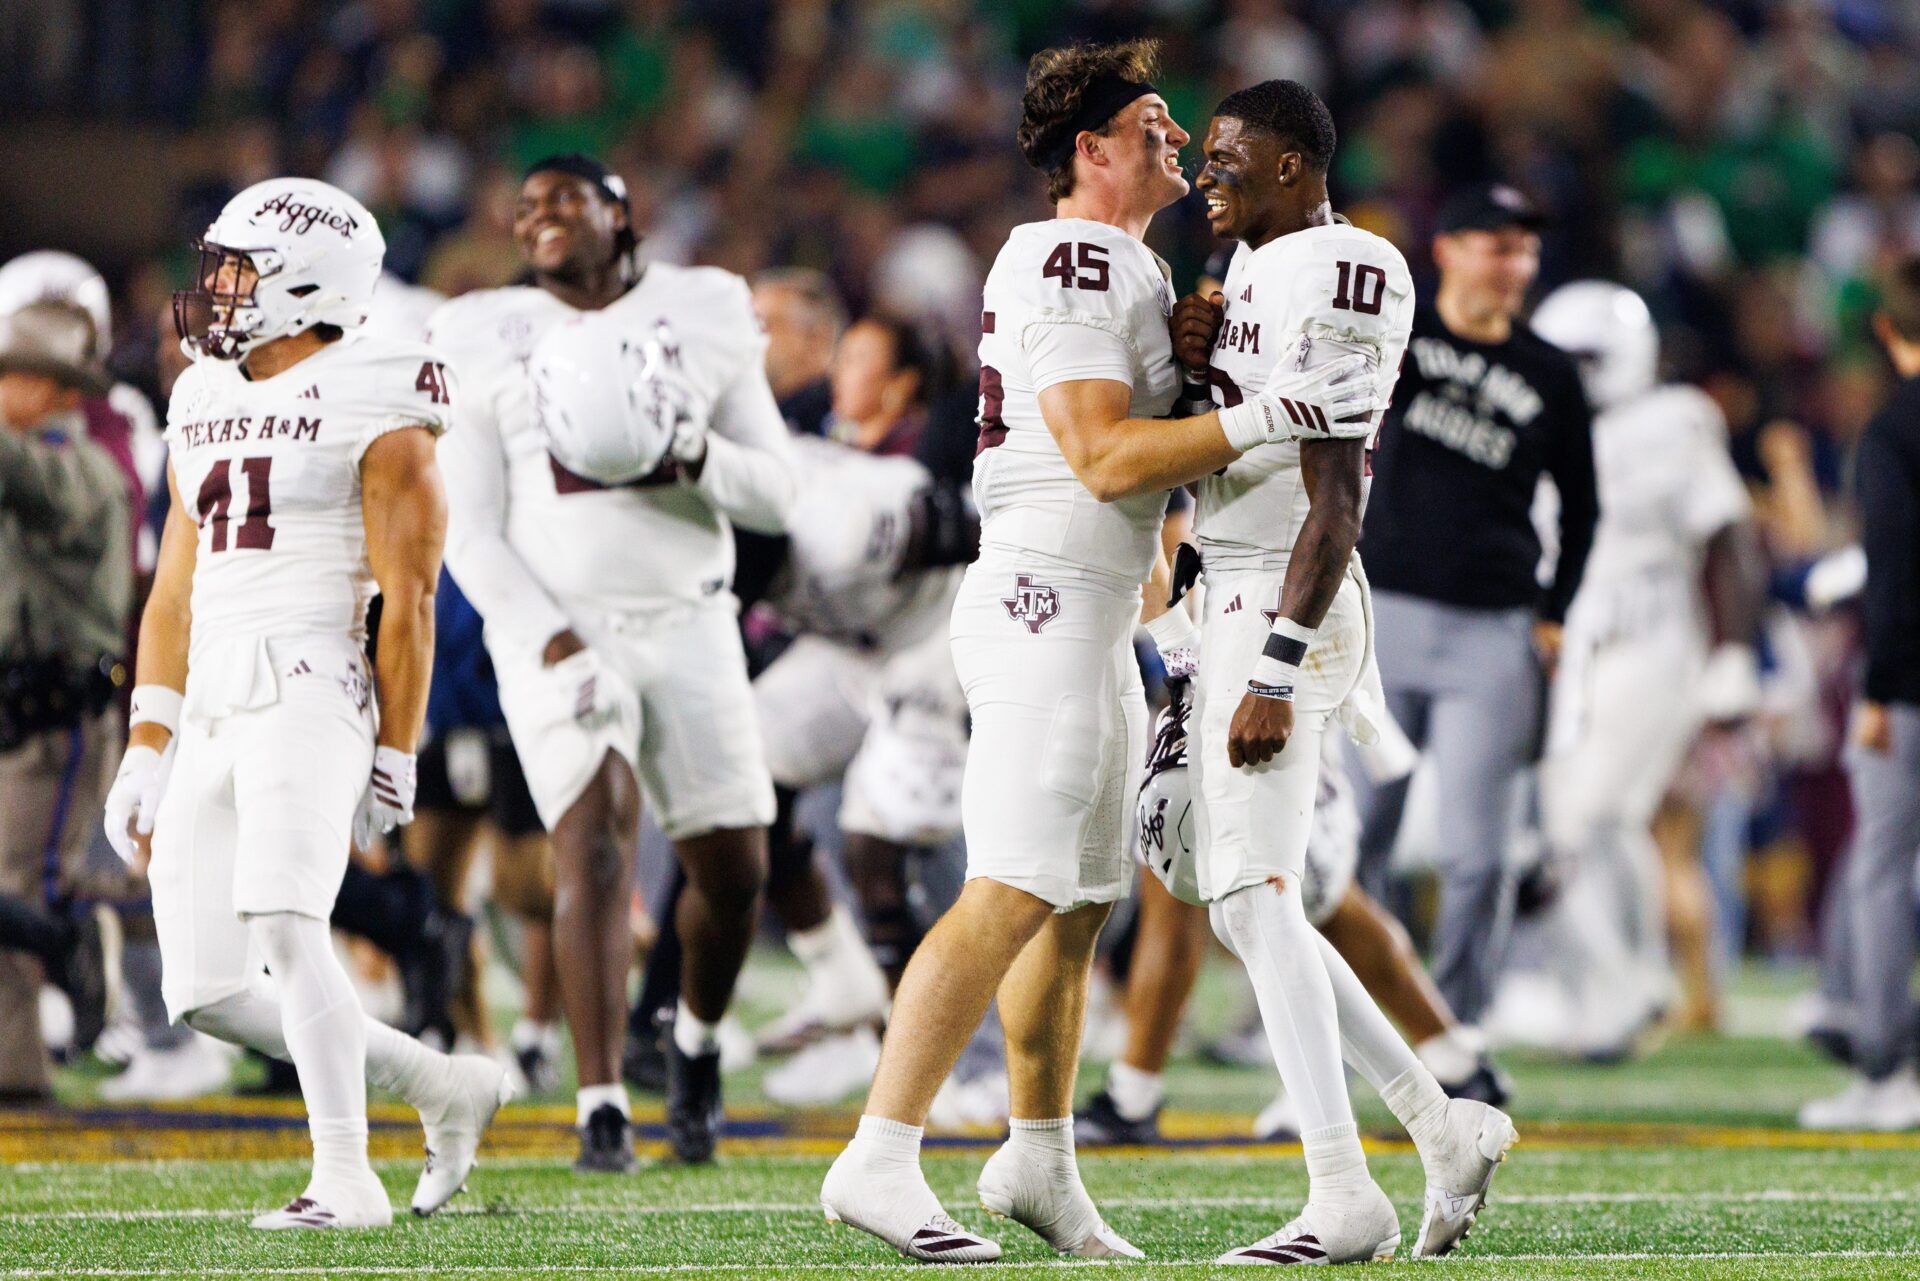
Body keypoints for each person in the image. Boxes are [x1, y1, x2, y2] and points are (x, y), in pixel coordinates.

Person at [103, 177, 508, 1228]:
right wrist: (148, 741)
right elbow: (174, 591)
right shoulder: (200, 392)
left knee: (286, 915)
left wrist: (397, 749)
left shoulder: (381, 387)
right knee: (204, 992)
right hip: (214, 699)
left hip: (315, 677)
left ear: (304, 282)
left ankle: (345, 1176)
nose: (216, 291)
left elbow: (410, 598)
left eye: (236, 269)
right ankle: (441, 1083)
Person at [430, 154, 795, 1171]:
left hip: (688, 613)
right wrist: (547, 634)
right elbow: (474, 527)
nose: (538, 212)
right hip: (556, 622)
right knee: (590, 838)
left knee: (735, 872)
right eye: (525, 201)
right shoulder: (480, 329)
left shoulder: (706, 307)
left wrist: (696, 458)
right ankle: (602, 1106)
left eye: (564, 197)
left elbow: (780, 492)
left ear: (621, 211)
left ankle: (695, 1043)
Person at [1353, 182, 1599, 1027]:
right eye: (1498, 244)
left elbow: (1583, 504)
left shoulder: (1550, 371)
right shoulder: (1398, 339)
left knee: (1479, 855)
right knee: (1349, 843)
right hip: (1378, 619)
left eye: (1525, 248)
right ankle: (1360, 1022)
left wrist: (1555, 609)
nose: (1515, 263)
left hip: (1492, 628)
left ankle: (1454, 1032)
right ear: (1448, 249)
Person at [1079, 689, 1508, 1147]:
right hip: (1198, 685)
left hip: (1265, 680)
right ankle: (1134, 1091)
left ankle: (1429, 1082)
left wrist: (1276, 674)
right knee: (1178, 878)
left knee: (1307, 895)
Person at [1525, 280, 1765, 1060]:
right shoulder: (1544, 432)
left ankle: (1626, 991)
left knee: (1584, 816)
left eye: (1589, 356)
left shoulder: (1674, 420)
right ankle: (1624, 985)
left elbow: (1729, 539)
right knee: (1584, 822)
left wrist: (1735, 653)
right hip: (1575, 648)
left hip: (1655, 638)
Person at [1800, 254, 1920, 1131]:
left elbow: (1896, 570)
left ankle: (1885, 1063)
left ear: (1886, 330)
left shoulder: (1892, 430)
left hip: (1910, 686)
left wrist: (1877, 686)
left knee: (1881, 870)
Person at [0, 300, 131, 1100]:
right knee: (13, 883)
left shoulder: (77, 467)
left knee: (20, 890)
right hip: (20, 713)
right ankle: (11, 1066)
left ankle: (76, 937)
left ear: (50, 388)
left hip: (61, 719)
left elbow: (30, 482)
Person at [753, 268, 844, 438]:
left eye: (763, 325)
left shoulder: (839, 421)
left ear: (817, 341)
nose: (750, 337)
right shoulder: (755, 411)